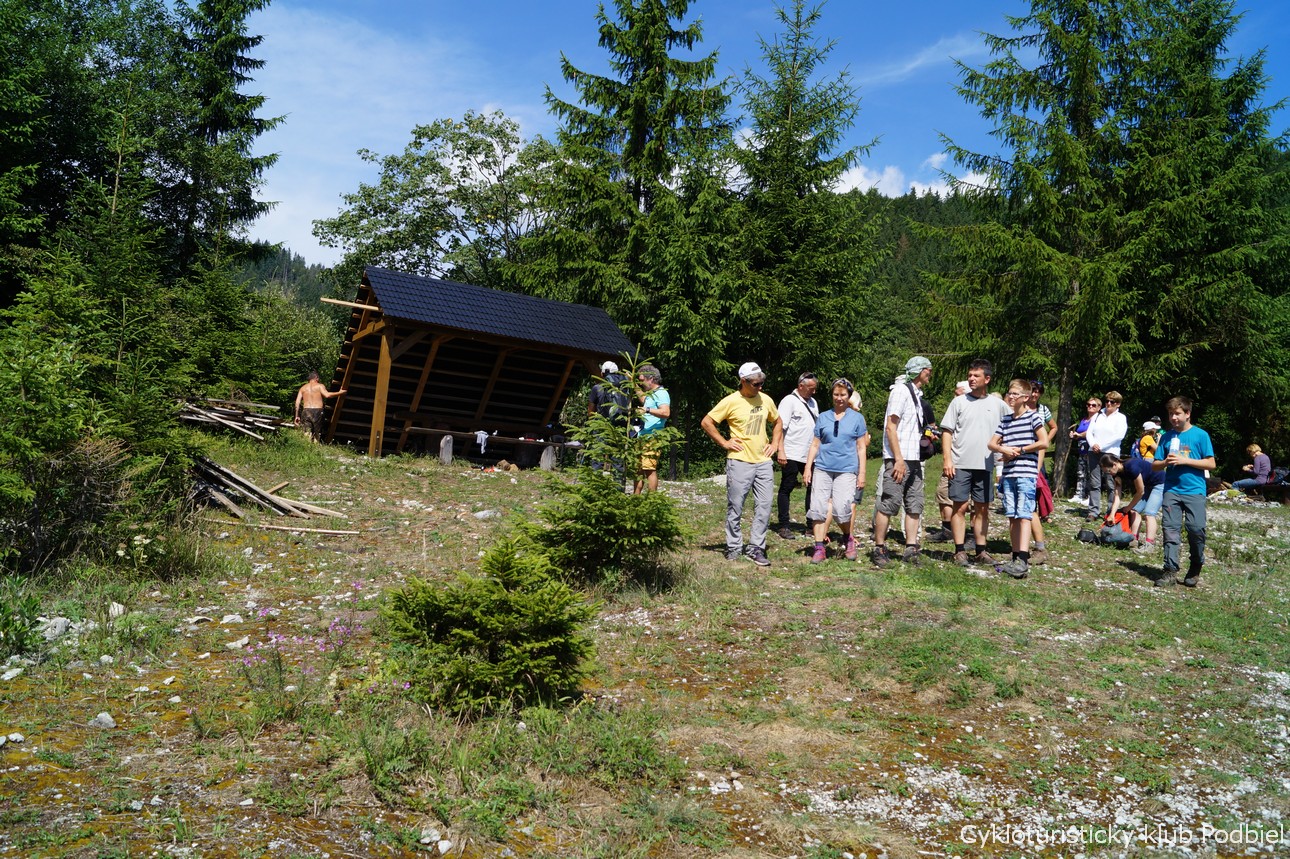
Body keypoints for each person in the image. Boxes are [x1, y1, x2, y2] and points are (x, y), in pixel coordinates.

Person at [702, 362, 782, 567]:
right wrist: (724, 442)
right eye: (756, 384)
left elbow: (778, 421)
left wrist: (775, 444)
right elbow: (707, 422)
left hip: (763, 462)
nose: (760, 387)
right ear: (743, 381)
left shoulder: (766, 399)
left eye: (762, 383)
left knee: (764, 505)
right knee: (736, 506)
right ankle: (734, 546)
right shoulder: (731, 401)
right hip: (739, 461)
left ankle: (756, 547)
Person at [941, 359, 1009, 567]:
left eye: (976, 375)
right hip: (960, 463)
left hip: (985, 465)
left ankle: (981, 551)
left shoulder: (998, 405)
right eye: (970, 375)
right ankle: (959, 551)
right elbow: (947, 431)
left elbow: (1012, 426)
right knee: (959, 507)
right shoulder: (958, 402)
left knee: (982, 509)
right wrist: (947, 459)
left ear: (987, 379)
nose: (971, 379)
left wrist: (1007, 452)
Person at [873, 356, 933, 569]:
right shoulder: (900, 391)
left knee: (915, 504)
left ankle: (911, 548)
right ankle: (879, 547)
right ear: (920, 371)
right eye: (928, 370)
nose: (930, 374)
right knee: (889, 503)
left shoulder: (916, 394)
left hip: (914, 459)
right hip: (899, 459)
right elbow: (891, 427)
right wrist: (897, 459)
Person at [1151, 396, 1216, 588]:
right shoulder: (1166, 437)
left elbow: (1211, 463)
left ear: (1187, 414)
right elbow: (1155, 465)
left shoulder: (1200, 435)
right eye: (1171, 414)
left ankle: (1196, 565)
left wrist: (1185, 460)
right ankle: (1170, 571)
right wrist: (1165, 462)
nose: (1173, 417)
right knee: (1170, 530)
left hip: (1195, 490)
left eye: (1177, 414)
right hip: (1171, 490)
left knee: (1196, 529)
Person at [988, 380, 1049, 579]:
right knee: (1012, 515)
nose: (1011, 397)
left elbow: (1044, 441)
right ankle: (1015, 556)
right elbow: (992, 443)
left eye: (1015, 394)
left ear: (1025, 397)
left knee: (1024, 515)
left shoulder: (1033, 417)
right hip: (1009, 474)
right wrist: (1004, 449)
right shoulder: (1005, 420)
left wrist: (1021, 450)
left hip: (1026, 473)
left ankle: (1023, 558)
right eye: (1010, 393)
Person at [803, 379, 868, 563]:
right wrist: (808, 467)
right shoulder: (823, 417)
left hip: (846, 470)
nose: (839, 398)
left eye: (843, 395)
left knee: (841, 509)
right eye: (836, 394)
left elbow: (861, 447)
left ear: (849, 396)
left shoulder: (857, 419)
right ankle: (819, 547)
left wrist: (862, 473)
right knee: (818, 508)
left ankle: (848, 537)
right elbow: (815, 444)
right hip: (822, 468)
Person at [775, 373, 820, 538]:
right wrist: (780, 450)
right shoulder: (789, 401)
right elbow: (780, 427)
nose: (814, 392)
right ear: (801, 386)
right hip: (792, 452)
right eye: (811, 388)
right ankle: (784, 525)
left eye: (815, 388)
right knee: (787, 487)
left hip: (810, 455)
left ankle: (811, 525)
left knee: (813, 488)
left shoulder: (813, 403)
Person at [928, 380, 970, 544]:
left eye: (958, 393)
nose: (955, 396)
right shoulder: (954, 409)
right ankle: (947, 530)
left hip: (968, 461)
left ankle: (971, 535)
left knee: (971, 500)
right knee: (943, 492)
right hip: (952, 459)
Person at [1102, 453, 1164, 551]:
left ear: (1114, 465)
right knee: (1134, 511)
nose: (1109, 473)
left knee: (1149, 513)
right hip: (1148, 485)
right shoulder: (1116, 474)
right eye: (1106, 472)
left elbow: (1140, 492)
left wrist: (1128, 507)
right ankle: (1133, 539)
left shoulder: (1131, 466)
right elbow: (1117, 496)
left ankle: (1149, 545)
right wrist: (1112, 515)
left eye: (1109, 471)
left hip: (1160, 483)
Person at [1025, 380, 1056, 565]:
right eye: (1033, 391)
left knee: (1039, 485)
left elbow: (1054, 426)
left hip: (1037, 453)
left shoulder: (1043, 409)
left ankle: (1043, 513)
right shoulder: (1020, 407)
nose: (1035, 394)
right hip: (1024, 452)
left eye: (1038, 392)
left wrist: (1046, 440)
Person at [1085, 391, 1127, 520]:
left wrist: (1101, 446)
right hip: (1094, 452)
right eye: (1107, 401)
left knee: (1111, 483)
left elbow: (1119, 435)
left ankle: (1110, 511)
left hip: (1110, 452)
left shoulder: (1121, 418)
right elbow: (1089, 432)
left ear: (1118, 404)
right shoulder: (1098, 415)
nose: (1108, 403)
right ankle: (1093, 511)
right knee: (1094, 482)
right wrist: (1093, 444)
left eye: (1112, 402)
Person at [632, 364, 670, 494]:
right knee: (638, 469)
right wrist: (633, 384)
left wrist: (647, 410)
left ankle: (652, 500)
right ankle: (636, 498)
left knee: (649, 469)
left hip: (653, 437)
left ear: (651, 379)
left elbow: (666, 412)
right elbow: (643, 399)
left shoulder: (662, 393)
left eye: (642, 380)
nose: (641, 383)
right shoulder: (651, 394)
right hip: (642, 435)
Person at [293, 372, 347, 442]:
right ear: (316, 378)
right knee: (317, 433)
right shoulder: (320, 386)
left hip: (306, 411)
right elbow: (327, 395)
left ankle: (307, 447)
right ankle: (315, 447)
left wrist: (296, 416)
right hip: (317, 411)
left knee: (307, 433)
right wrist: (340, 392)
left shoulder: (302, 388)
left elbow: (297, 403)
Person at [1069, 396, 1100, 503]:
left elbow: (1092, 431)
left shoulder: (1098, 419)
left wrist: (1079, 435)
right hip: (1082, 449)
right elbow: (1079, 432)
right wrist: (1074, 435)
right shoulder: (1084, 420)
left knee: (1091, 473)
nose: (1090, 407)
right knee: (1081, 472)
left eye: (1093, 405)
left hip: (1092, 449)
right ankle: (1079, 494)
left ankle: (1091, 496)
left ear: (1099, 407)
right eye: (1088, 404)